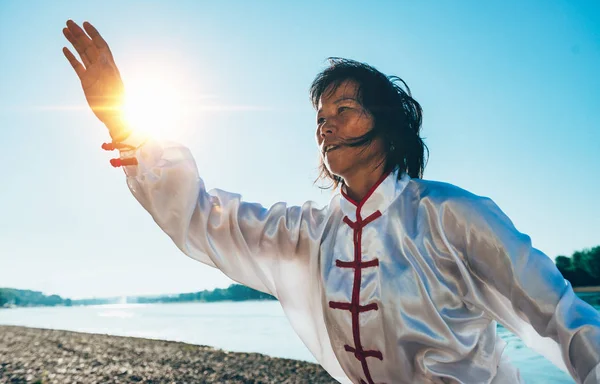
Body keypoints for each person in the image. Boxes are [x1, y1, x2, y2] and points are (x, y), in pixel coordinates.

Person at [62, 20, 600, 384]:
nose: (327, 124)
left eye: (344, 108)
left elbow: (559, 317)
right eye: (321, 116)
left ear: (387, 124)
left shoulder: (453, 215)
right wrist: (123, 122)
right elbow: (204, 217)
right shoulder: (309, 234)